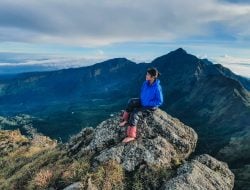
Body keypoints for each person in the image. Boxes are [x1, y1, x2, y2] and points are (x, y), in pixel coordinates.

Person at [120, 67, 164, 143]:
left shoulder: (157, 87)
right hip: (143, 102)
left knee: (135, 113)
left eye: (147, 75)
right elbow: (143, 93)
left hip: (150, 107)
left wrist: (148, 103)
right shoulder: (145, 83)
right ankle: (125, 119)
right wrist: (142, 101)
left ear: (153, 77)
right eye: (146, 74)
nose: (146, 76)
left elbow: (159, 101)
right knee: (132, 101)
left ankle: (131, 136)